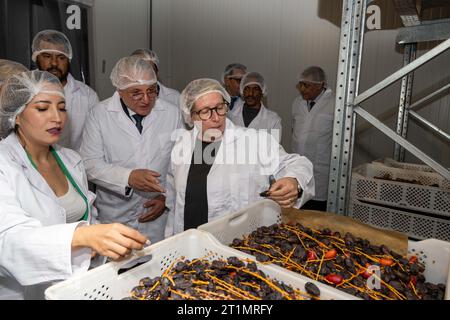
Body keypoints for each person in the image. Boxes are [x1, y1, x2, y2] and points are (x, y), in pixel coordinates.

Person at [0, 70, 148, 300]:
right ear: (15, 115)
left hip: (78, 287)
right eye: (42, 108)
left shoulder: (71, 160)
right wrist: (81, 237)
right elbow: (7, 240)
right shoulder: (4, 165)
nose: (57, 117)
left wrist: (105, 247)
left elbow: (89, 218)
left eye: (61, 107)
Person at [165, 78, 315, 236]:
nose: (216, 117)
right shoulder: (182, 144)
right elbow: (174, 200)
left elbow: (297, 163)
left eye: (219, 107)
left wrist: (294, 181)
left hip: (238, 242)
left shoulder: (255, 141)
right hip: (188, 240)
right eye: (205, 112)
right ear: (191, 116)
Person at [80, 56, 182, 243]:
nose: (146, 100)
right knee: (119, 267)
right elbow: (89, 163)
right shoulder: (99, 114)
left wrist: (165, 198)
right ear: (120, 91)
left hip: (157, 214)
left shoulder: (172, 113)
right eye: (136, 93)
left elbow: (179, 164)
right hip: (115, 214)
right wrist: (128, 178)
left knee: (157, 266)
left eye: (151, 91)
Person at [32, 29, 99, 151]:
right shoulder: (24, 91)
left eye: (61, 57)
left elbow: (95, 143)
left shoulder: (88, 96)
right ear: (36, 58)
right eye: (47, 56)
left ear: (68, 60)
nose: (54, 63)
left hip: (76, 165)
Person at [291, 66, 335, 212]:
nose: (302, 89)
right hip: (298, 169)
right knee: (297, 212)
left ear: (320, 85)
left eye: (307, 85)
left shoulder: (334, 104)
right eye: (300, 85)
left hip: (321, 171)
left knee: (317, 212)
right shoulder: (297, 103)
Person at [228, 71, 282, 142]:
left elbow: (274, 149)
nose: (250, 93)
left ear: (262, 92)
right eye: (247, 89)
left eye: (255, 89)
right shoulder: (231, 115)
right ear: (242, 91)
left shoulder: (273, 120)